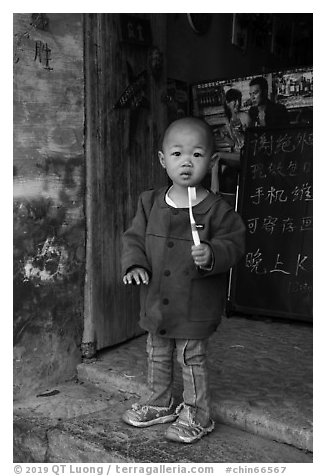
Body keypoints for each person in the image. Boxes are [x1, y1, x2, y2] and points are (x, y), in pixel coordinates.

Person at [120, 117, 246, 444]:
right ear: (163, 160)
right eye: (177, 154)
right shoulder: (149, 203)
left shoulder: (217, 210)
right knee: (157, 353)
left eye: (197, 154)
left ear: (212, 161)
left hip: (194, 304)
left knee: (191, 358)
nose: (186, 162)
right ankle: (160, 401)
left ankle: (197, 414)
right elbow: (133, 238)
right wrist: (134, 263)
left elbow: (235, 243)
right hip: (156, 300)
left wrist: (214, 253)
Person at [211, 88, 249, 198]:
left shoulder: (245, 117)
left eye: (239, 100)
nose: (237, 103)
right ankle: (219, 194)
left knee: (216, 157)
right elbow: (234, 144)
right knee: (217, 161)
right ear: (227, 103)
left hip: (245, 155)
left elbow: (250, 141)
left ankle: (214, 195)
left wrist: (243, 131)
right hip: (237, 155)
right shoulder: (228, 120)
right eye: (234, 101)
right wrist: (224, 137)